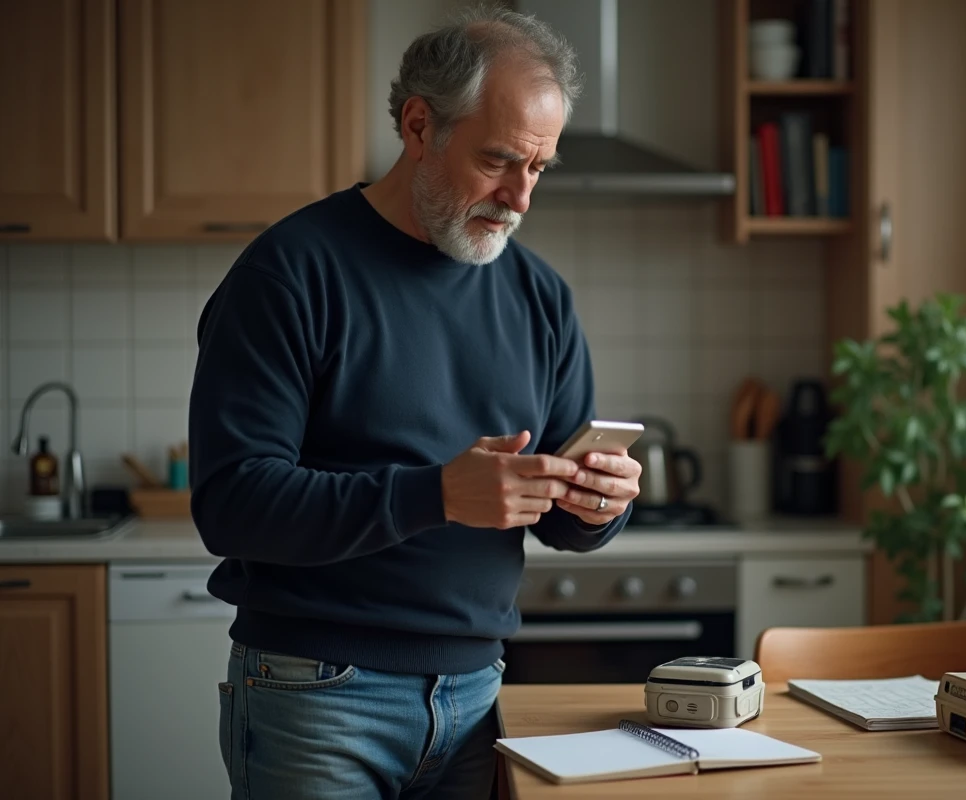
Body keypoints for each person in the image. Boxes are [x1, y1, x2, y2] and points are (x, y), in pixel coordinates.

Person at [188, 5, 641, 798]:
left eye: (540, 169)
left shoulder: (541, 297)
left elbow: (562, 519)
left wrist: (600, 505)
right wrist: (435, 494)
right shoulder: (291, 273)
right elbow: (230, 503)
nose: (520, 197)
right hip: (317, 696)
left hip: (478, 699)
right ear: (419, 125)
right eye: (499, 161)